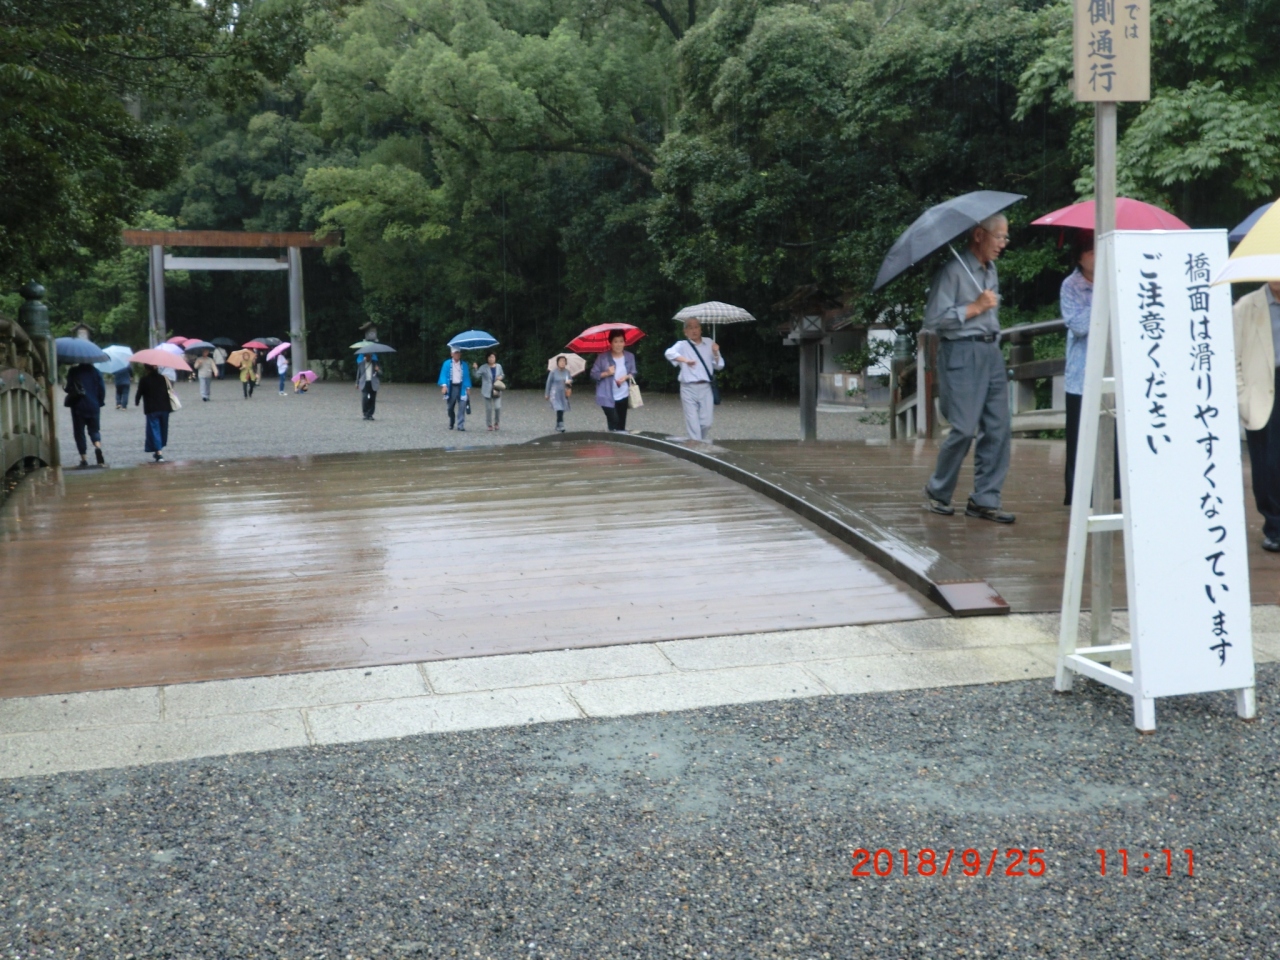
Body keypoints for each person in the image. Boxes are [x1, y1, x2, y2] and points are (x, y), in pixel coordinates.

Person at [921, 213, 1015, 523]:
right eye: (999, 237)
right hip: (961, 351)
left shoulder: (991, 270)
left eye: (1005, 238)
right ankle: (937, 492)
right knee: (963, 428)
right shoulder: (953, 271)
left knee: (998, 427)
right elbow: (934, 320)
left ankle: (985, 499)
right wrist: (974, 307)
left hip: (991, 351)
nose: (1003, 244)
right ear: (978, 235)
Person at [1233, 278, 1280, 552]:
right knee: (1267, 463)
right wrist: (1242, 394)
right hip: (1261, 387)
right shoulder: (1246, 306)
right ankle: (1275, 528)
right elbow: (1233, 355)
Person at [664, 318, 724, 441]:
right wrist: (685, 360)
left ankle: (697, 443)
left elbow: (719, 366)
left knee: (706, 422)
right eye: (690, 327)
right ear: (685, 331)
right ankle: (696, 447)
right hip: (688, 388)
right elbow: (669, 353)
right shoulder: (682, 345)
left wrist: (716, 353)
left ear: (701, 329)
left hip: (706, 387)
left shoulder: (709, 343)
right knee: (693, 423)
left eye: (696, 327)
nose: (694, 330)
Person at [590, 329, 637, 432]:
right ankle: (612, 440)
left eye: (621, 341)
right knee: (614, 421)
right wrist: (607, 373)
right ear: (610, 342)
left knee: (621, 425)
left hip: (623, 394)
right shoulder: (602, 358)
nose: (618, 344)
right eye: (615, 341)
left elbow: (633, 372)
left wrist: (626, 377)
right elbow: (593, 374)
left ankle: (619, 441)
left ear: (624, 342)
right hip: (606, 395)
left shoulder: (630, 356)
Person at [65, 362, 106, 468]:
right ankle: (97, 446)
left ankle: (84, 458)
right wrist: (100, 402)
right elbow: (102, 389)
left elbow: (69, 388)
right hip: (94, 406)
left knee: (79, 432)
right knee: (94, 430)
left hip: (78, 405)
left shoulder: (73, 371)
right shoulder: (96, 372)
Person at [134, 364, 173, 462]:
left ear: (146, 369)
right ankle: (159, 448)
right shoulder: (163, 378)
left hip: (152, 409)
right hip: (164, 407)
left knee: (154, 430)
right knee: (163, 429)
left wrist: (137, 401)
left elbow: (139, 392)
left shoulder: (144, 380)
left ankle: (159, 452)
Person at [438, 347, 471, 430]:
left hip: (461, 387)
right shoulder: (447, 364)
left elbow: (466, 377)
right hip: (451, 387)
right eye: (455, 353)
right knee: (450, 407)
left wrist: (468, 387)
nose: (457, 354)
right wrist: (444, 386)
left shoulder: (464, 364)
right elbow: (443, 375)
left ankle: (460, 425)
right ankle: (452, 420)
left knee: (462, 406)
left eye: (458, 353)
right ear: (451, 354)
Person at [474, 351, 505, 431]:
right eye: (490, 357)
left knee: (498, 407)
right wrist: (475, 368)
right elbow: (476, 376)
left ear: (495, 358)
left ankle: (496, 423)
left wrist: (500, 377)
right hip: (487, 390)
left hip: (497, 389)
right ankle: (489, 425)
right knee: (488, 409)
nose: (491, 359)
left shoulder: (499, 366)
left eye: (493, 357)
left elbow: (502, 374)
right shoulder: (484, 367)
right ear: (487, 358)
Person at [546, 355, 572, 432]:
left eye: (564, 361)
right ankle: (561, 425)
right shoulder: (553, 372)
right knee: (559, 408)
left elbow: (570, 382)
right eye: (561, 361)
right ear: (557, 363)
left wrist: (569, 382)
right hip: (555, 393)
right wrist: (547, 393)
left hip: (563, 394)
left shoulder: (567, 372)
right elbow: (548, 383)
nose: (562, 363)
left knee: (562, 409)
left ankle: (558, 424)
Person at [356, 351, 382, 420]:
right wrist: (357, 383)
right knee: (365, 398)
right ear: (365, 356)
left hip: (373, 383)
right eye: (367, 356)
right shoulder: (361, 363)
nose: (368, 357)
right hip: (364, 383)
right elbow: (358, 373)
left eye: (370, 356)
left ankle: (370, 414)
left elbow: (381, 373)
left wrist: (378, 370)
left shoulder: (375, 363)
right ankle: (365, 413)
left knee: (372, 399)